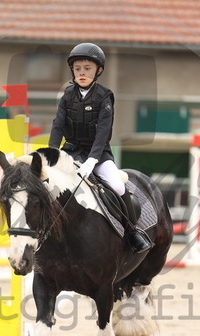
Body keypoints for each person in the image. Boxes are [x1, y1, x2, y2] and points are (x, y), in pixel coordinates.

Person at [48, 42, 152, 253]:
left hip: (98, 155)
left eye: (87, 68)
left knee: (118, 186)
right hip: (70, 152)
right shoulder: (67, 95)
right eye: (77, 69)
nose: (82, 73)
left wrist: (92, 160)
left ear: (99, 70)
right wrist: (52, 153)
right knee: (48, 185)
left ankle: (132, 232)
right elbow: (57, 126)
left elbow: (103, 132)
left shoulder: (104, 96)